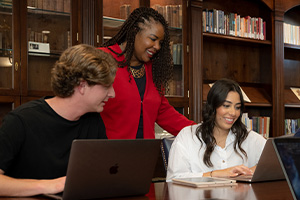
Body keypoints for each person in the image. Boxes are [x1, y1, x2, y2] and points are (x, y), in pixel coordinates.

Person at [0, 44, 117, 197]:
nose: (112, 94)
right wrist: (48, 185)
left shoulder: (93, 121)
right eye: (107, 86)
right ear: (82, 85)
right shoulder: (20, 121)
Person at [99, 7, 194, 139]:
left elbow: (164, 112)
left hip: (145, 154)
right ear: (134, 32)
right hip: (108, 154)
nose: (157, 47)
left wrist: (198, 132)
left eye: (160, 42)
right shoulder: (101, 58)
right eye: (153, 39)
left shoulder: (152, 69)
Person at [166, 78, 266, 181]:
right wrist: (218, 174)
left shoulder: (251, 137)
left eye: (237, 107)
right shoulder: (187, 136)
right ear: (212, 107)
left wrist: (254, 170)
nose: (233, 113)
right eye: (226, 106)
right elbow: (173, 180)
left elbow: (277, 162)